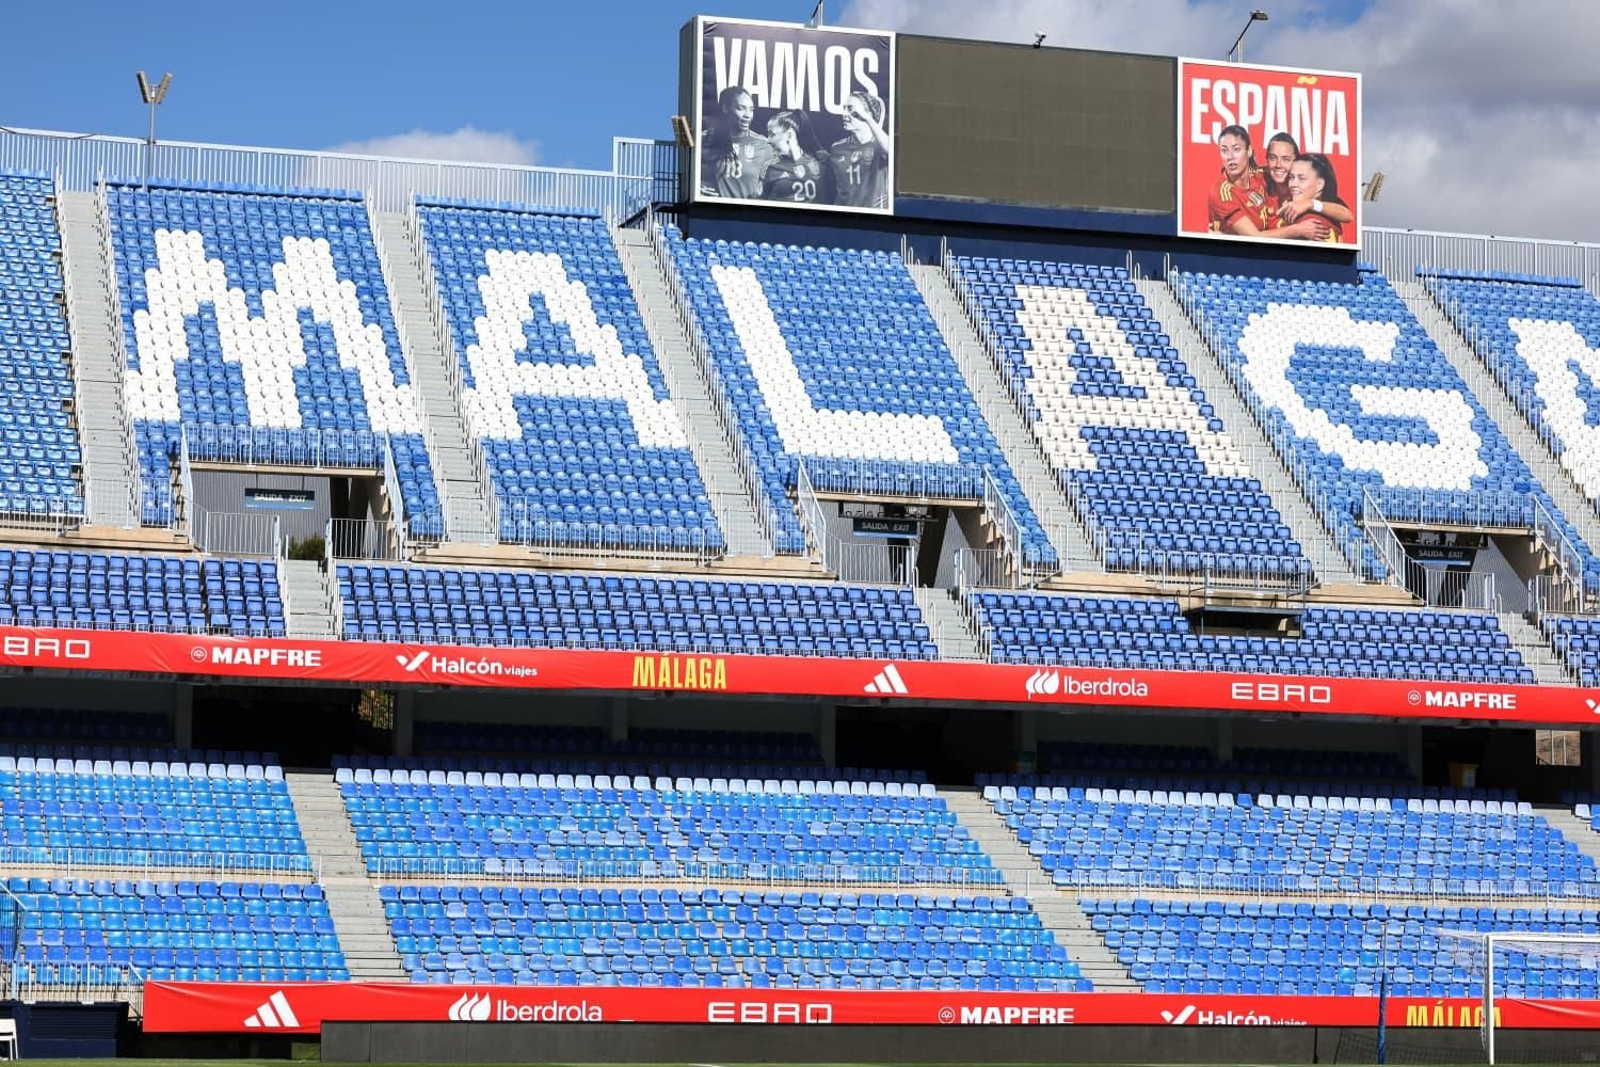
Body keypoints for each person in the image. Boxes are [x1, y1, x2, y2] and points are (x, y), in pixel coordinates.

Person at [1208, 128, 1331, 241]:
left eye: (1236, 149)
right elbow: (1254, 237)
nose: (1230, 157)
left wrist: (1311, 203)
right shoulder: (1222, 192)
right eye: (1224, 150)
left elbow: (1341, 211)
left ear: (1249, 151)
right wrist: (1298, 230)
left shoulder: (1266, 176)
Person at [699, 86, 776, 201]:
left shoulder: (764, 145)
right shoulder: (703, 139)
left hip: (747, 211)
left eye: (751, 109)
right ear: (725, 108)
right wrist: (695, 188)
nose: (748, 115)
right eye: (741, 108)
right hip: (711, 210)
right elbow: (688, 173)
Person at [823, 90, 890, 210]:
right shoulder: (837, 148)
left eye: (851, 109)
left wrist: (868, 119)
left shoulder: (879, 145)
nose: (844, 114)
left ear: (867, 114)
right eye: (844, 108)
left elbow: (891, 151)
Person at [761, 112, 825, 204]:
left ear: (789, 135)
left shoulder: (819, 163)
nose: (768, 140)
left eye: (772, 134)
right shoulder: (769, 167)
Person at [1284, 153, 1348, 243]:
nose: (1293, 184)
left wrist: (1311, 204)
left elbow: (1347, 215)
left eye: (1302, 178)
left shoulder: (1312, 223)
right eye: (1291, 177)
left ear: (1319, 184)